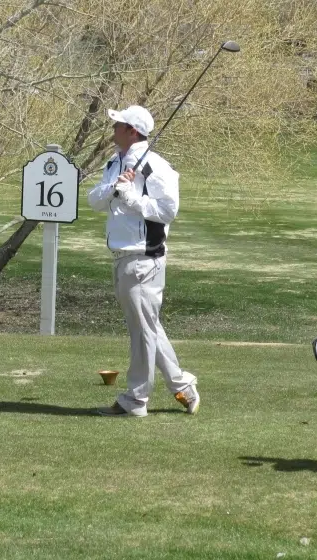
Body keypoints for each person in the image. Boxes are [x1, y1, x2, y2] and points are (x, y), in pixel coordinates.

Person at [87, 105, 199, 418]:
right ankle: (182, 385)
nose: (113, 130)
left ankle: (135, 400)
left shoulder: (155, 165)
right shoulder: (115, 163)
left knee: (142, 331)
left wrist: (132, 198)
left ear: (132, 130)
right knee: (146, 325)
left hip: (144, 256)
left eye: (118, 125)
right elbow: (94, 200)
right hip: (123, 255)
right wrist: (115, 188)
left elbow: (168, 209)